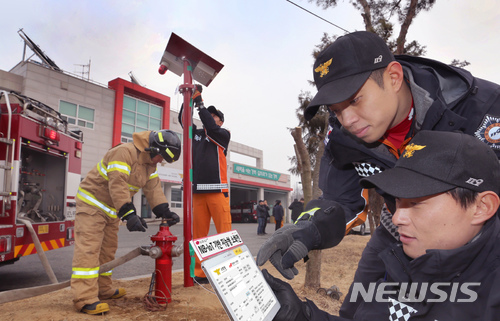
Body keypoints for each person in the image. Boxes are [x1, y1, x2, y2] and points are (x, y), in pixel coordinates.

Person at [256, 30, 500, 316]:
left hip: (481, 240)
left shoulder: (485, 111)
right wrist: (305, 230)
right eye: (336, 109)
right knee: (360, 311)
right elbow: (340, 200)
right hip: (396, 231)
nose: (347, 119)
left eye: (355, 100)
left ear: (393, 78)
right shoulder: (343, 135)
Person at [263, 130, 500, 320]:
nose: (397, 218)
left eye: (416, 203)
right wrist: (302, 315)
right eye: (397, 201)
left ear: (482, 207)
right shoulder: (398, 261)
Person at [71, 130, 181, 315]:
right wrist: (129, 214)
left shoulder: (149, 165)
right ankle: (84, 298)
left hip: (111, 210)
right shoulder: (124, 152)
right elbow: (118, 183)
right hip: (92, 205)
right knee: (89, 250)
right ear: (154, 148)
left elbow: (153, 188)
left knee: (108, 250)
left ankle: (103, 289)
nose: (160, 161)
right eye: (161, 157)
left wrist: (164, 211)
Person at [183, 86, 232, 285]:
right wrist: (187, 99)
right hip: (198, 192)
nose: (210, 117)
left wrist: (200, 103)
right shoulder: (195, 135)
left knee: (224, 234)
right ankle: (199, 274)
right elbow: (184, 122)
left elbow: (210, 128)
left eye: (214, 116)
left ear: (220, 121)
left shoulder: (222, 134)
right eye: (208, 115)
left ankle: (228, 272)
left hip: (218, 191)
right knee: (198, 237)